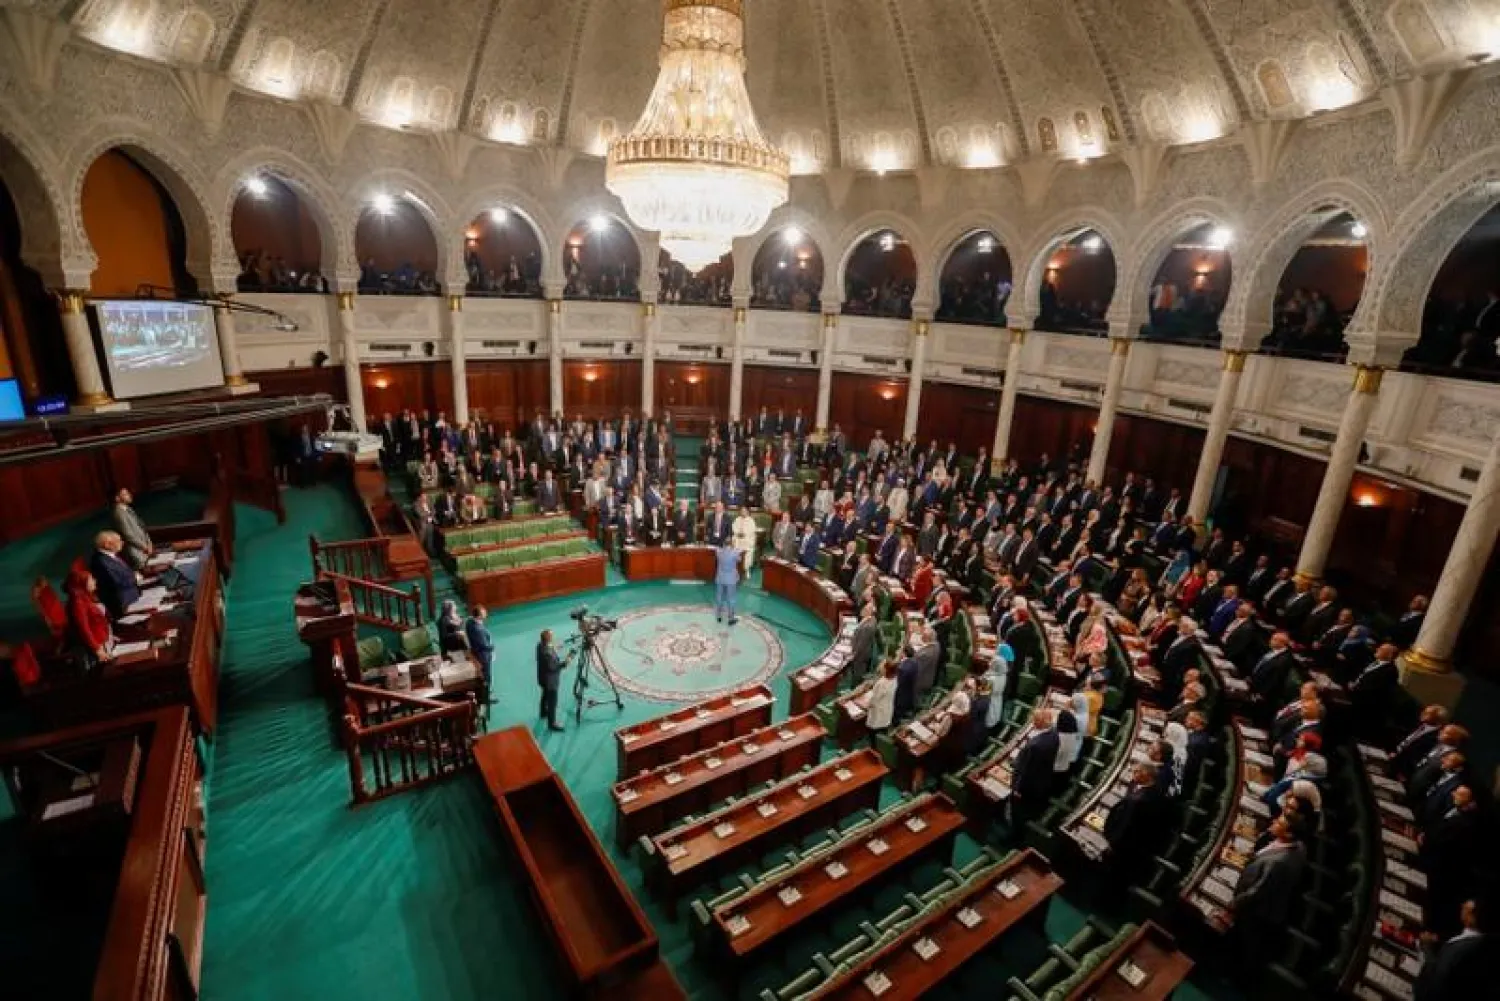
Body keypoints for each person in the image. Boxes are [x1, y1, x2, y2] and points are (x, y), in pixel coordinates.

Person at [1230, 815, 1307, 971]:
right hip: (1269, 901)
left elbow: (1257, 892)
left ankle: (1238, 975)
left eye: (1279, 823)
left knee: (1246, 943)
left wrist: (1235, 903)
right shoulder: (1298, 845)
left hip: (1258, 911)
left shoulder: (1278, 862)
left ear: (1289, 834)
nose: (1274, 822)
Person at [1414, 897, 1498, 1001]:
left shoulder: (1455, 951)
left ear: (1472, 917)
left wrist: (1427, 948)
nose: (1462, 905)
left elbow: (1433, 988)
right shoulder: (1490, 945)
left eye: (1467, 907)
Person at [89, 530, 141, 620]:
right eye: (119, 540)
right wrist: (134, 578)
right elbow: (115, 583)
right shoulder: (101, 562)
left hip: (131, 594)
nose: (122, 543)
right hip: (123, 604)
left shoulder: (110, 556)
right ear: (107, 545)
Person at [66, 567, 112, 667]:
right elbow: (84, 629)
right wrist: (97, 649)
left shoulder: (85, 596)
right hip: (95, 649)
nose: (95, 581)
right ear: (83, 583)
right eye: (91, 579)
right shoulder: (78, 603)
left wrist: (110, 637)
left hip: (103, 641)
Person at [111, 488, 153, 569]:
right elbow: (128, 535)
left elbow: (142, 527)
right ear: (117, 498)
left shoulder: (128, 509)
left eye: (128, 493)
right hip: (135, 552)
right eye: (125, 494)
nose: (129, 495)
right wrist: (145, 547)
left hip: (144, 549)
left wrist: (149, 543)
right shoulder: (119, 514)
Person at [535, 629, 564, 731]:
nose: (553, 637)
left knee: (545, 695)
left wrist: (554, 648)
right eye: (551, 636)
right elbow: (553, 667)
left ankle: (543, 712)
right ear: (548, 638)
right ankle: (552, 724)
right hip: (550, 681)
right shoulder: (548, 653)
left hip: (542, 678)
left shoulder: (540, 646)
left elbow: (548, 649)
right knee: (552, 702)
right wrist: (565, 663)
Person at [464, 605, 493, 689]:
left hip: (475, 650)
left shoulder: (469, 622)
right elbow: (484, 645)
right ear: (479, 616)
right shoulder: (478, 629)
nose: (486, 613)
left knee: (483, 673)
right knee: (486, 674)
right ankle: (487, 693)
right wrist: (492, 647)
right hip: (483, 655)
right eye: (484, 612)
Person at [714, 541, 741, 625]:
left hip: (720, 578)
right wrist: (736, 550)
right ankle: (731, 618)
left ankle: (718, 615)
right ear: (732, 545)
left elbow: (717, 551)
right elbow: (739, 559)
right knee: (731, 598)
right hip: (730, 579)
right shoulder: (735, 553)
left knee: (719, 597)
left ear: (723, 545)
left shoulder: (719, 552)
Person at [850, 605, 878, 682]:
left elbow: (861, 644)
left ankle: (855, 685)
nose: (862, 610)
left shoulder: (868, 627)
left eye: (865, 609)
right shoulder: (870, 620)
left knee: (857, 672)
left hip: (861, 655)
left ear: (869, 612)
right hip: (861, 651)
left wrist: (854, 654)